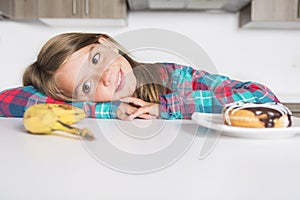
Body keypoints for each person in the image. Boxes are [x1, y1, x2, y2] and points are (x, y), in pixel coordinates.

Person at [22, 32, 280, 120]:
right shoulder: (91, 105)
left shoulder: (173, 78)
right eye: (86, 85)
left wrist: (164, 108)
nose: (106, 78)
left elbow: (265, 98)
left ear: (107, 43)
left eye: (96, 59)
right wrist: (111, 109)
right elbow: (9, 100)